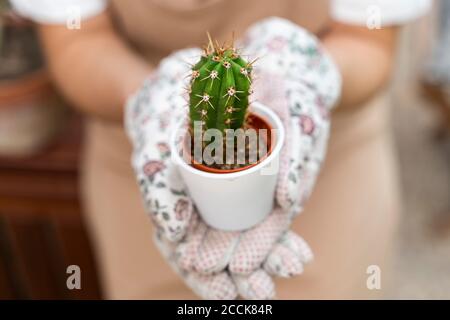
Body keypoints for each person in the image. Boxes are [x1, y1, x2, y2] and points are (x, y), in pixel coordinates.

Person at [10, 0, 431, 299]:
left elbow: (369, 39)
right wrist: (146, 99)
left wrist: (309, 73)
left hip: (327, 161)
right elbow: (77, 38)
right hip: (147, 161)